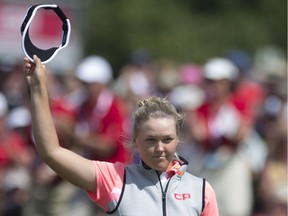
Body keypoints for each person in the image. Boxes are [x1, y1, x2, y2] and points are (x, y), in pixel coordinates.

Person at [23, 55, 219, 216]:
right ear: (135, 141)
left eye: (167, 139)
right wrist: (38, 88)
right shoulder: (116, 178)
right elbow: (51, 152)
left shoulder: (201, 190)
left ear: (178, 139)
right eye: (150, 140)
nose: (159, 148)